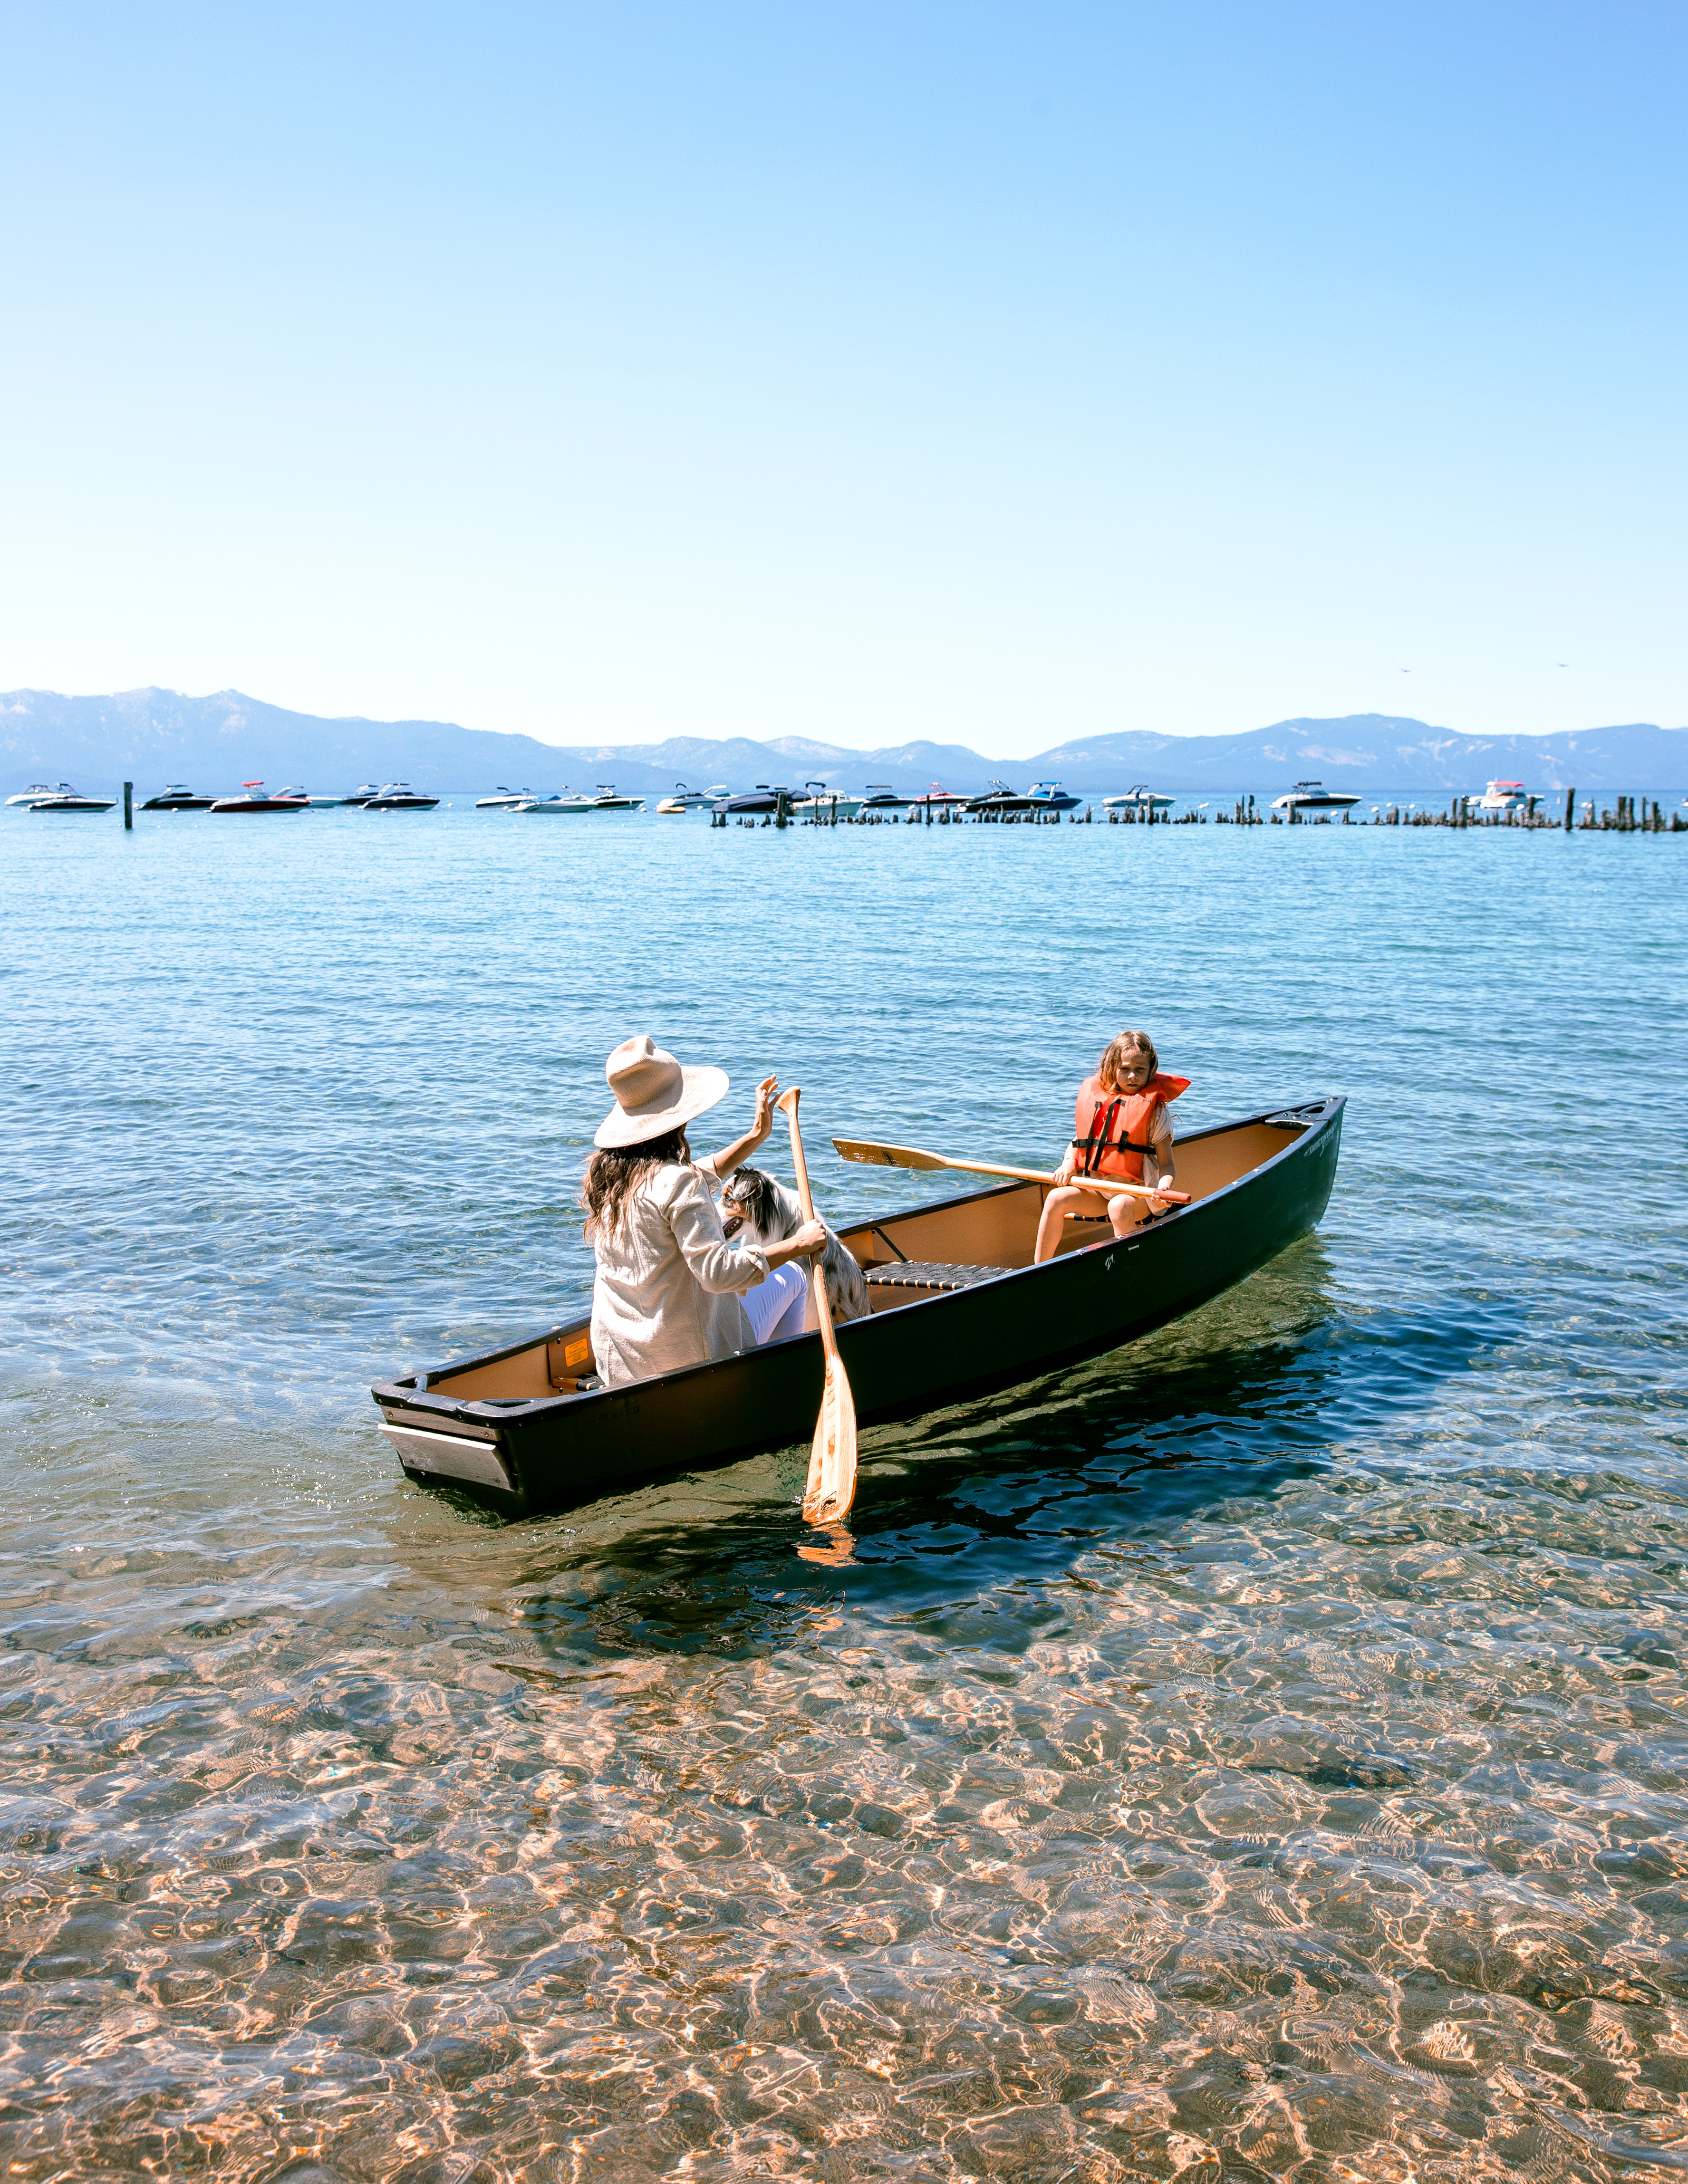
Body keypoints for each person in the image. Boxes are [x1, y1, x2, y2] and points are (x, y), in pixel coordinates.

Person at [583, 1037, 825, 1386]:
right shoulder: (678, 1181)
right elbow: (718, 1274)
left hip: (623, 1358)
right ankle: (778, 1384)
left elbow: (693, 1177)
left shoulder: (610, 1175)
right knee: (795, 1277)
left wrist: (756, 1135)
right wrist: (798, 1245)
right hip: (690, 1358)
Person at [1032, 1029, 1190, 1264]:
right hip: (1098, 1191)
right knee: (1056, 1198)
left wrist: (1163, 1190)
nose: (1132, 1077)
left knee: (1119, 1206)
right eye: (1124, 1069)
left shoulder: (1156, 1113)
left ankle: (1127, 1270)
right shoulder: (1101, 1104)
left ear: (1151, 1071)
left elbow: (1167, 1165)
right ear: (1112, 1069)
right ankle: (1038, 1270)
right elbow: (1078, 1143)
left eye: (1140, 1070)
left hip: (1138, 1197)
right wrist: (1068, 1163)